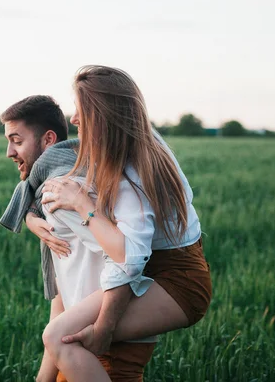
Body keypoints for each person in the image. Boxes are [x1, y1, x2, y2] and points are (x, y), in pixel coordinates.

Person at [35, 65, 212, 381]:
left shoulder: (134, 173)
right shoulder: (135, 141)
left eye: (81, 111)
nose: (73, 119)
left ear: (102, 118)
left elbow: (129, 259)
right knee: (62, 334)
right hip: (158, 267)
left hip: (178, 281)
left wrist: (82, 205)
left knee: (59, 337)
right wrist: (31, 218)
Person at [0, 95, 158, 382]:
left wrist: (105, 327)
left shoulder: (59, 193)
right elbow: (63, 293)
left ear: (48, 140)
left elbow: (125, 260)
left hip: (104, 342)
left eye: (17, 140)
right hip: (83, 335)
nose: (9, 151)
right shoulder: (64, 185)